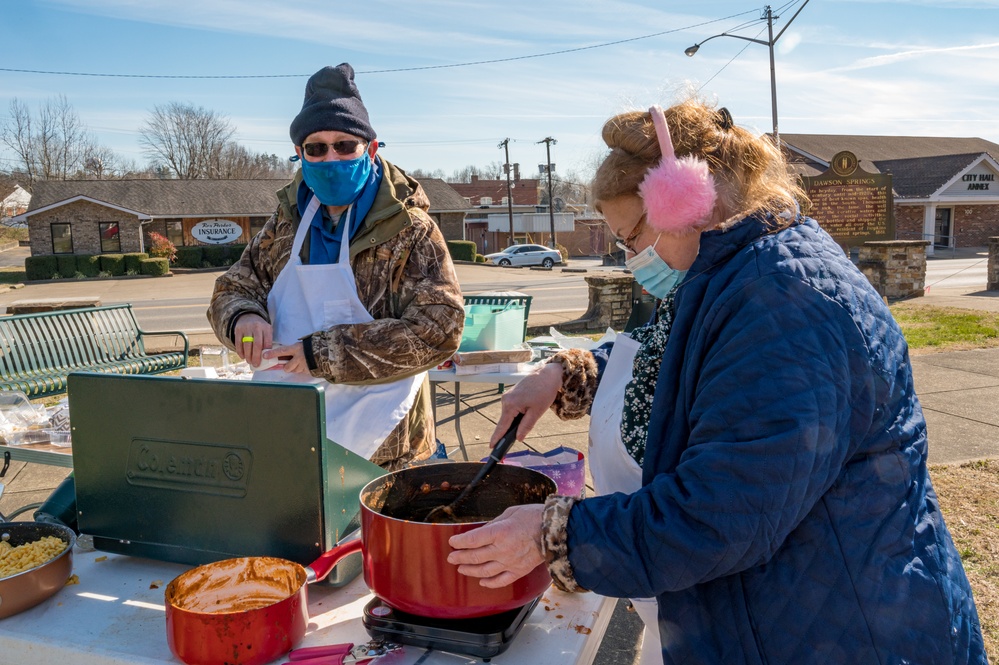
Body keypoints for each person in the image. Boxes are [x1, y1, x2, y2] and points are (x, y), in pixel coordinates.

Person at [448, 99, 987, 664]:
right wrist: (565, 372)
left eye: (630, 238)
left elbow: (718, 514)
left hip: (839, 629)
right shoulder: (732, 268)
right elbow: (670, 358)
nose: (631, 258)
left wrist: (554, 535)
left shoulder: (786, 304)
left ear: (682, 204)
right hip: (787, 613)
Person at [208, 63, 464, 470]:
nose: (331, 157)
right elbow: (234, 288)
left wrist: (321, 354)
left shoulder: (410, 229)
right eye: (316, 148)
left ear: (372, 149)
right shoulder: (286, 223)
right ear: (300, 154)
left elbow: (439, 330)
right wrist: (241, 318)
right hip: (290, 431)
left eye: (345, 145)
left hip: (387, 446)